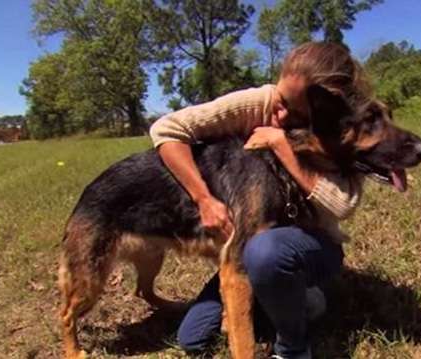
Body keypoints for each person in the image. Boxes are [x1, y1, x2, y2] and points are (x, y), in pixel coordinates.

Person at [149, 42, 372, 359]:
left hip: (307, 246)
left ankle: (294, 340)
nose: (279, 113)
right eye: (281, 99)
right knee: (192, 338)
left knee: (266, 252)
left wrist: (281, 144)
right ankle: (275, 296)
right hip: (253, 243)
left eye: (295, 112)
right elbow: (166, 128)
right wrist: (203, 199)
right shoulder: (261, 102)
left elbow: (342, 205)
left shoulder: (344, 129)